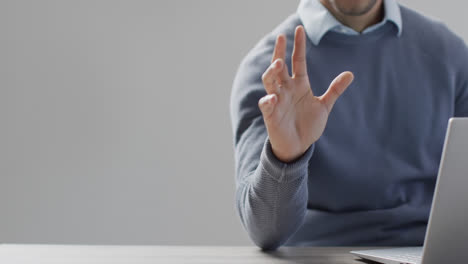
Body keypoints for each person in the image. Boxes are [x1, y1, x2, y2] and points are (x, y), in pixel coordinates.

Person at [230, 0, 468, 250]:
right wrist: (285, 159)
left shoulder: (448, 53)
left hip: (429, 251)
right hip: (317, 256)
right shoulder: (270, 74)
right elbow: (265, 232)